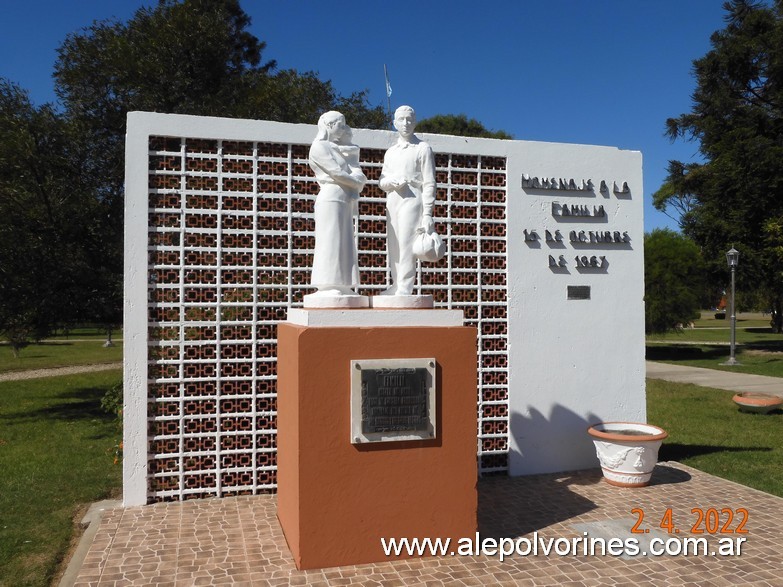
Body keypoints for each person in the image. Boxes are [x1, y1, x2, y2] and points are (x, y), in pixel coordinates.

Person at [378, 105, 436, 296]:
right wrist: (392, 182)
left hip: (412, 198)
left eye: (409, 119)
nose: (406, 124)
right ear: (394, 123)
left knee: (406, 243)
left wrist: (427, 214)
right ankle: (396, 283)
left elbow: (429, 182)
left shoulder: (422, 148)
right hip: (393, 199)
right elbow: (382, 181)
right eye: (401, 120)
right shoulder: (391, 152)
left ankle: (405, 286)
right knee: (393, 243)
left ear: (415, 122)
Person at [307, 111, 367, 296]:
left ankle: (343, 283)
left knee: (344, 241)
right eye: (340, 125)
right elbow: (337, 173)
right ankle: (328, 283)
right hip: (331, 198)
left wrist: (358, 178)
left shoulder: (338, 147)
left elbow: (354, 170)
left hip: (343, 199)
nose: (343, 129)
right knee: (330, 241)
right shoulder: (319, 147)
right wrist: (357, 183)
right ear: (329, 125)